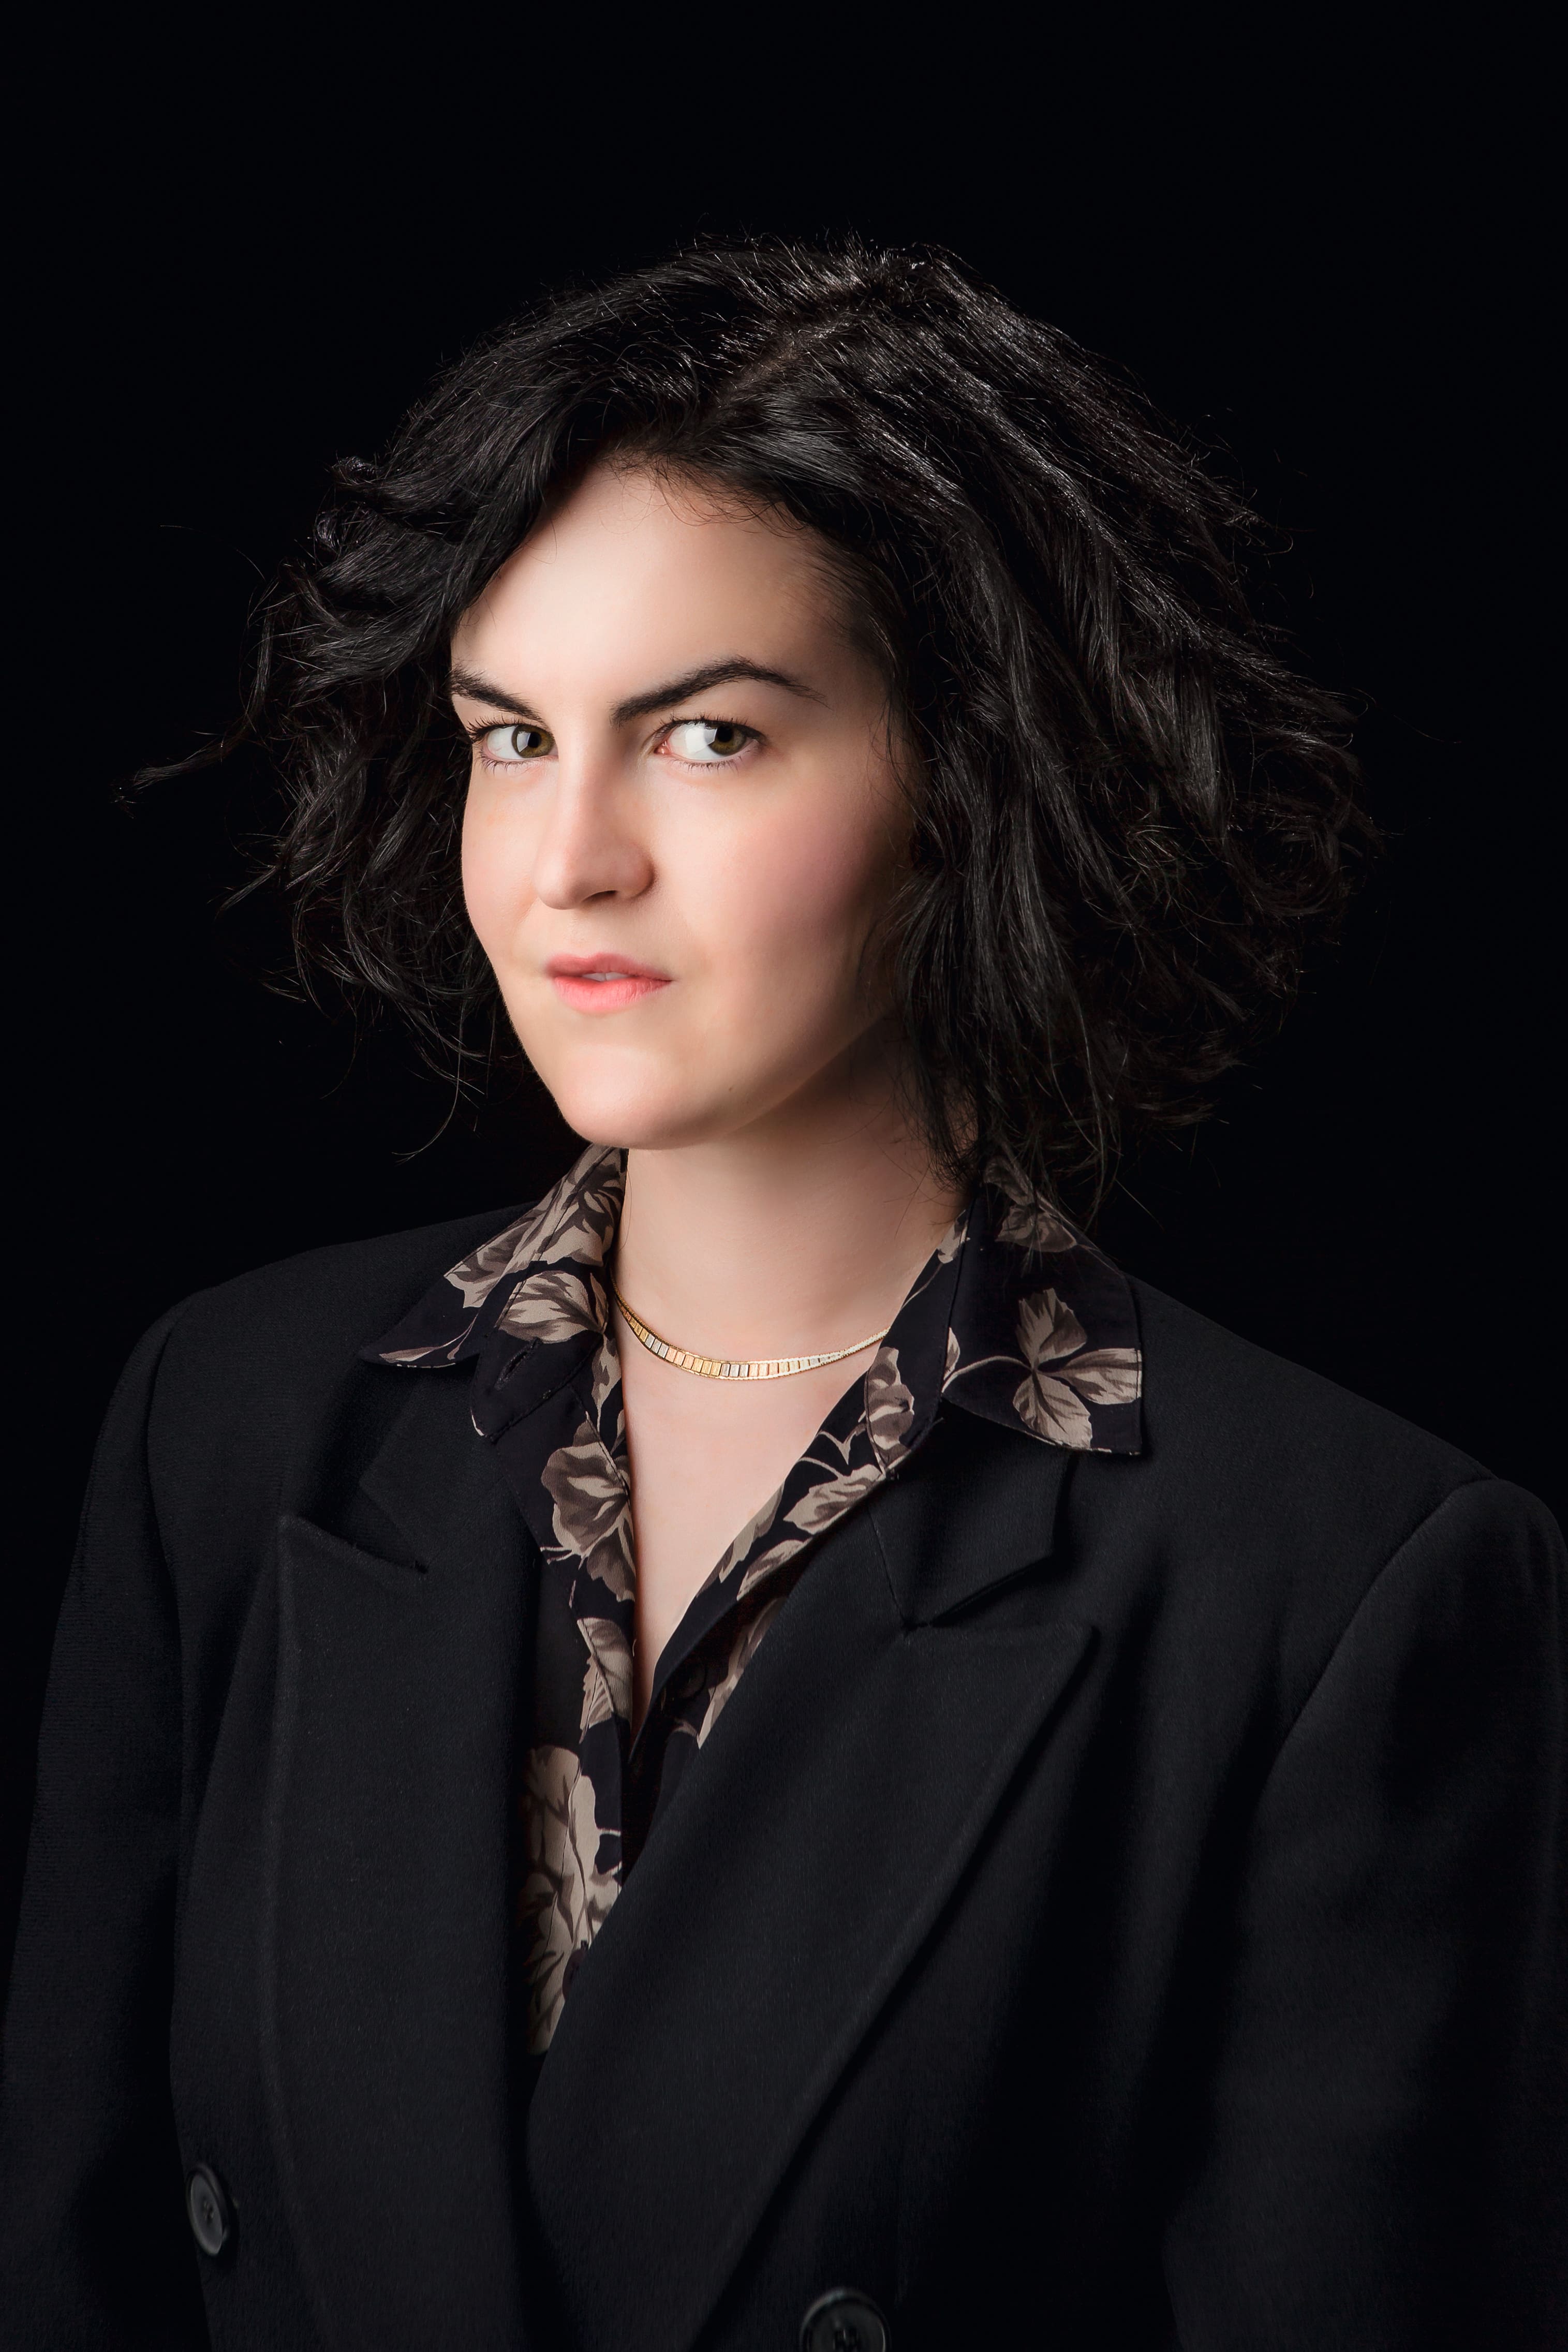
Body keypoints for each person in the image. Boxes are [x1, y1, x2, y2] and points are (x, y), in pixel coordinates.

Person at [3, 240, 1562, 2352]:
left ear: (967, 785)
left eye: (708, 738)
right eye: (510, 737)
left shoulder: (1338, 1585)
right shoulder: (237, 1420)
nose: (569, 864)